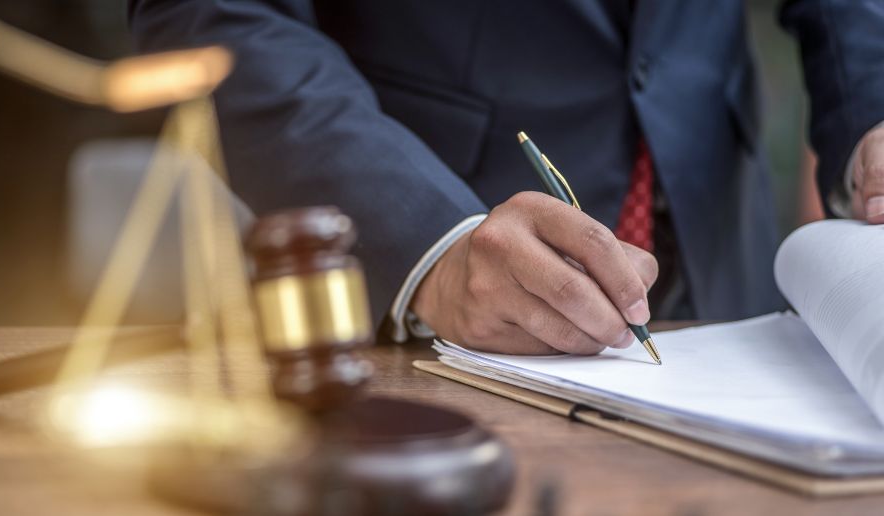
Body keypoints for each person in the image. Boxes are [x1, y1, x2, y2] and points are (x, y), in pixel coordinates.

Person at [128, 1, 884, 355]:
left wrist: (873, 114)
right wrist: (430, 245)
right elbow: (216, 13)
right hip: (425, 305)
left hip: (720, 256)